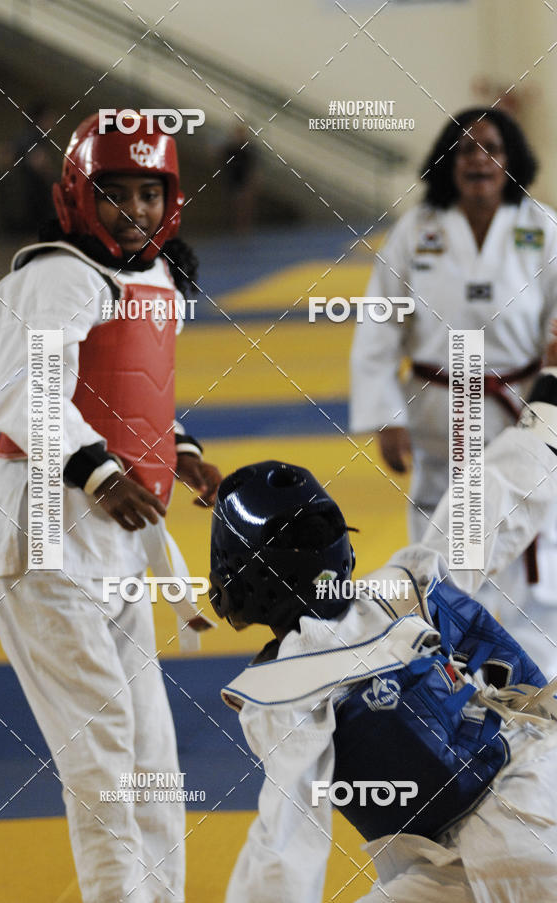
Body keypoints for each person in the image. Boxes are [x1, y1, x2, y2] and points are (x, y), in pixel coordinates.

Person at [0, 112, 221, 903]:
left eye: (151, 192)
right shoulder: (58, 276)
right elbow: (24, 393)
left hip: (113, 539)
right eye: (116, 194)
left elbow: (128, 389)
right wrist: (98, 470)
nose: (136, 210)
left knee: (152, 757)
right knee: (103, 752)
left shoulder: (153, 279)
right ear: (78, 195)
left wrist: (178, 450)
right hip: (44, 527)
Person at [208, 366, 557, 903]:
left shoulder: (284, 688)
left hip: (506, 849)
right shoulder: (410, 579)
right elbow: (490, 496)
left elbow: (287, 837)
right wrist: (548, 402)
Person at [349, 107, 557, 677]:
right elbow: (379, 323)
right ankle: (449, 676)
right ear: (448, 161)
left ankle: (539, 676)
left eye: (491, 148)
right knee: (445, 540)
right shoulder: (417, 229)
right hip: (441, 406)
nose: (478, 160)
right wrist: (385, 414)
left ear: (510, 160)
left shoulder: (540, 226)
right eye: (465, 149)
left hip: (519, 403)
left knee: (528, 532)